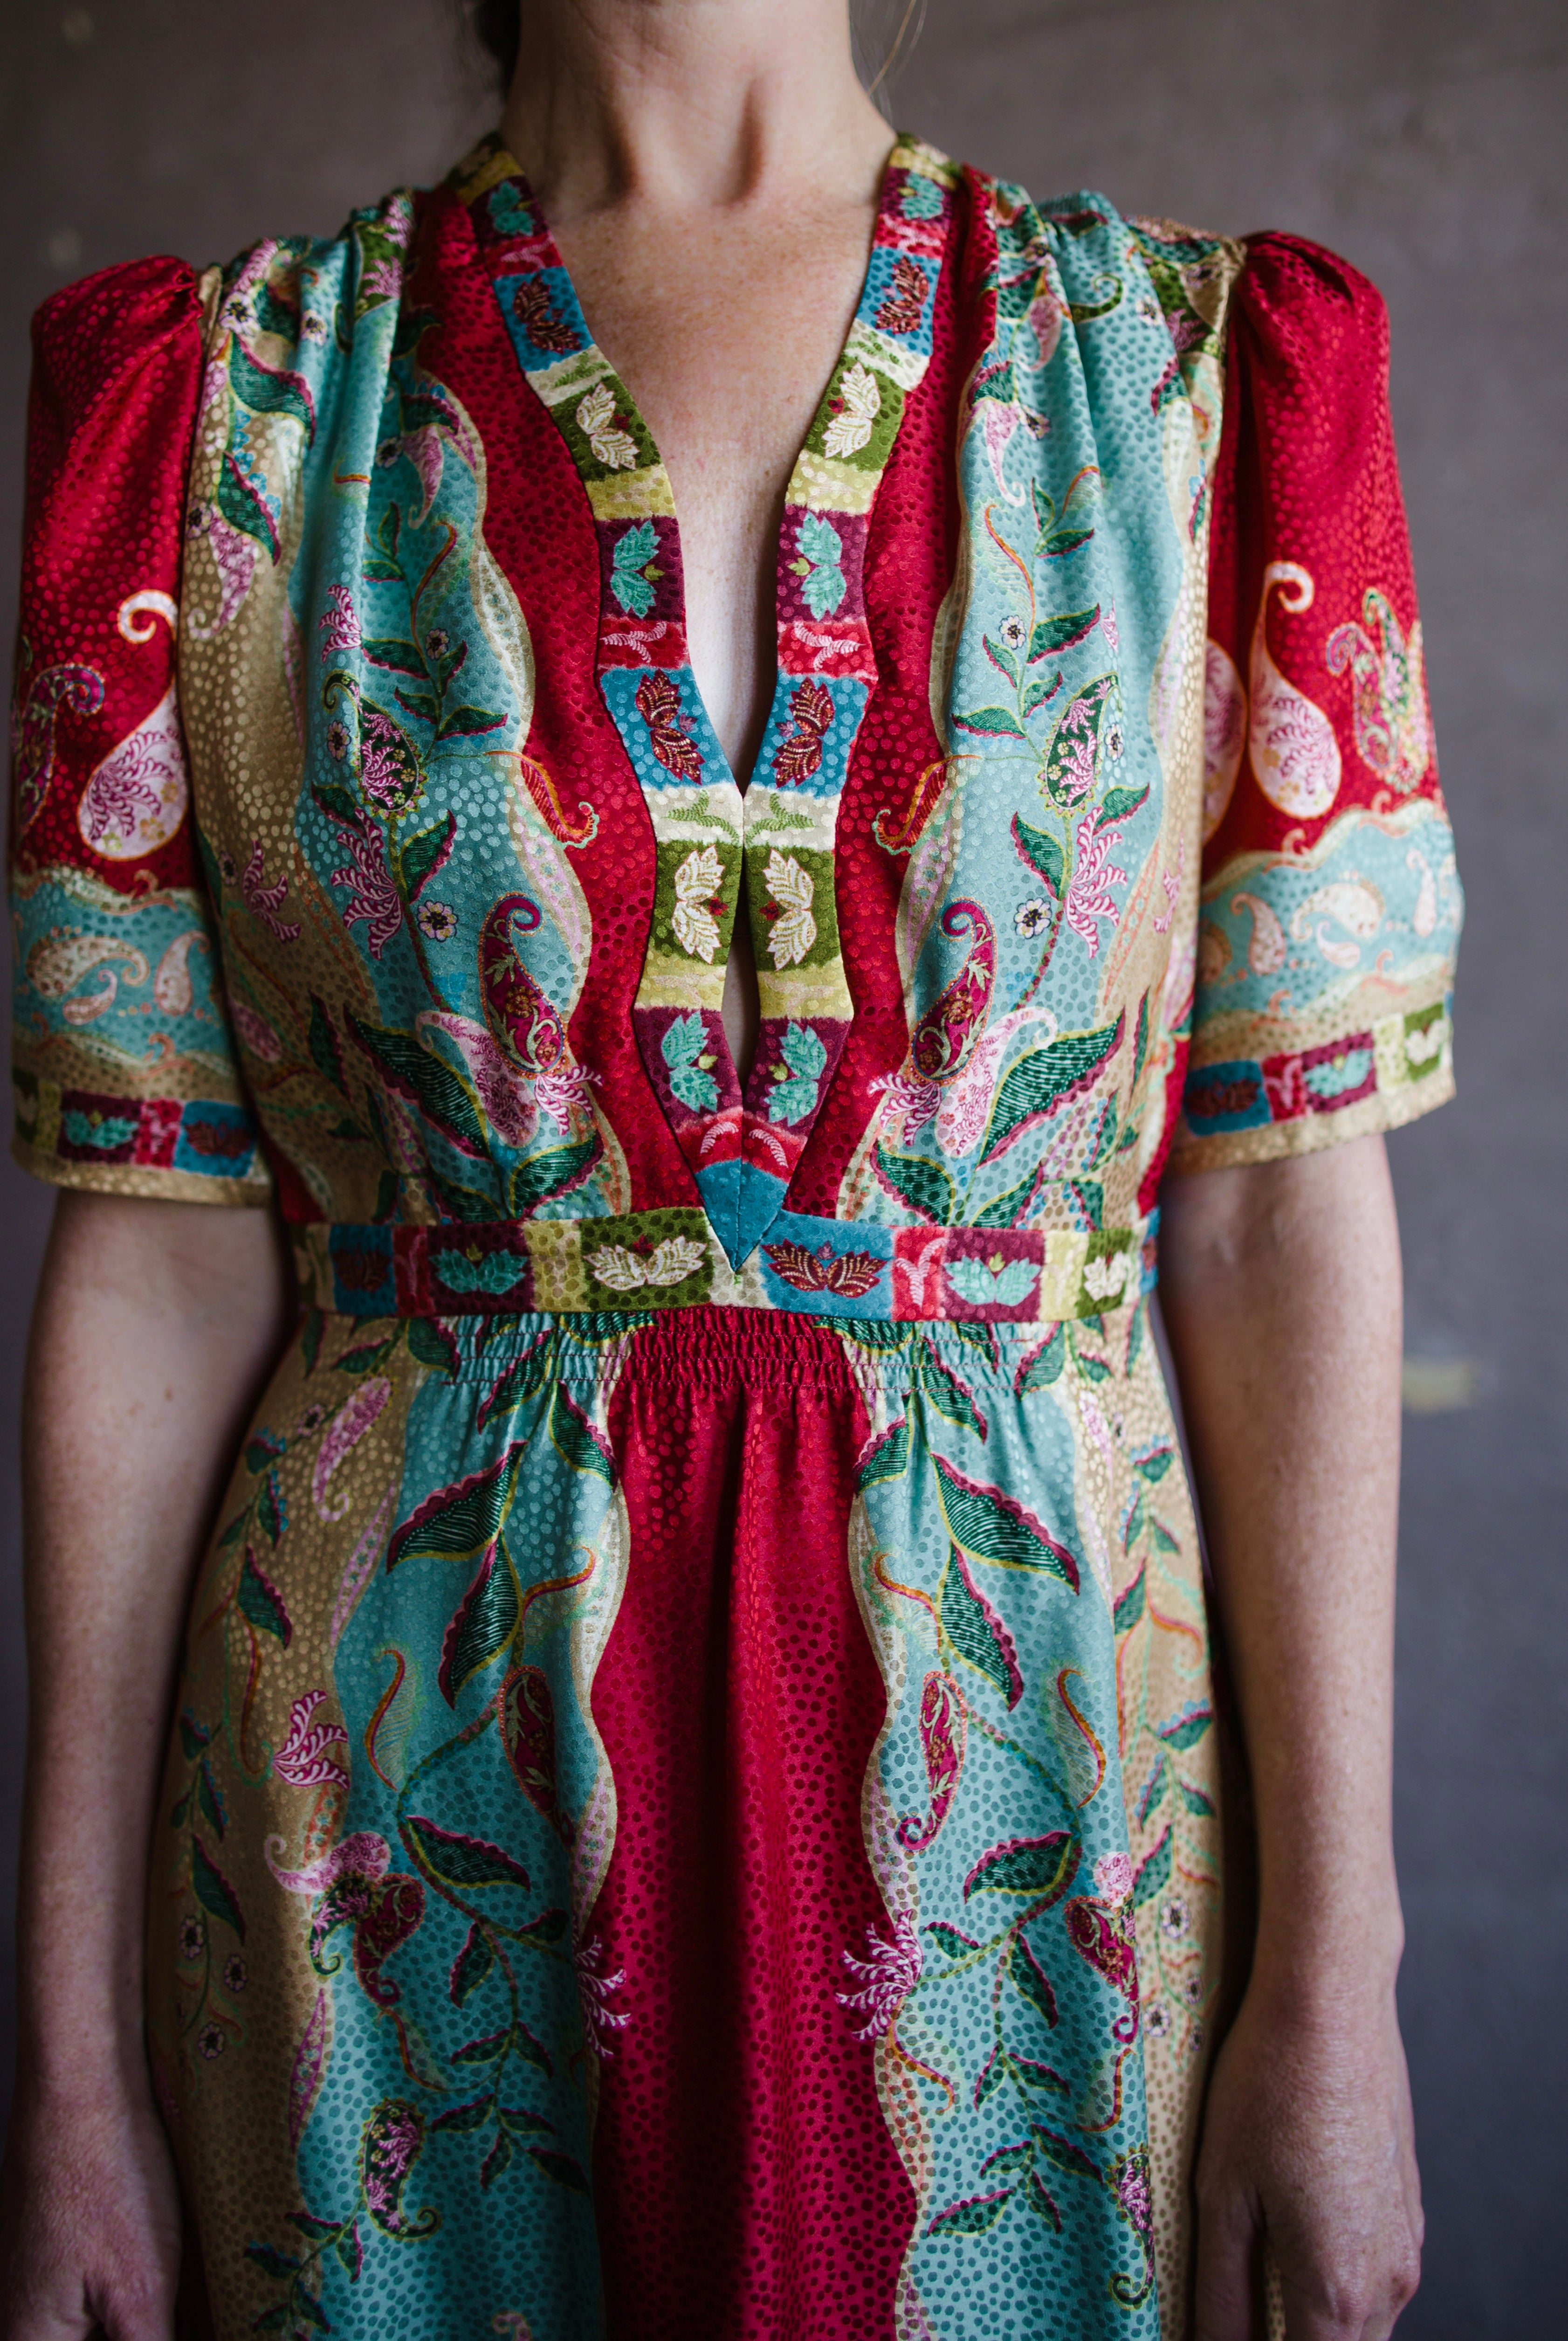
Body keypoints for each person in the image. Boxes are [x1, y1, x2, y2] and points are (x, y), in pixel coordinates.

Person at [0, 0, 1462, 2334]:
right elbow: (155, 1254)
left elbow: (1283, 1204)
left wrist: (1340, 1977)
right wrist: (60, 2050)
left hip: (1039, 1810)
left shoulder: (1194, 375)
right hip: (387, 1834)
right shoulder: (229, 399)